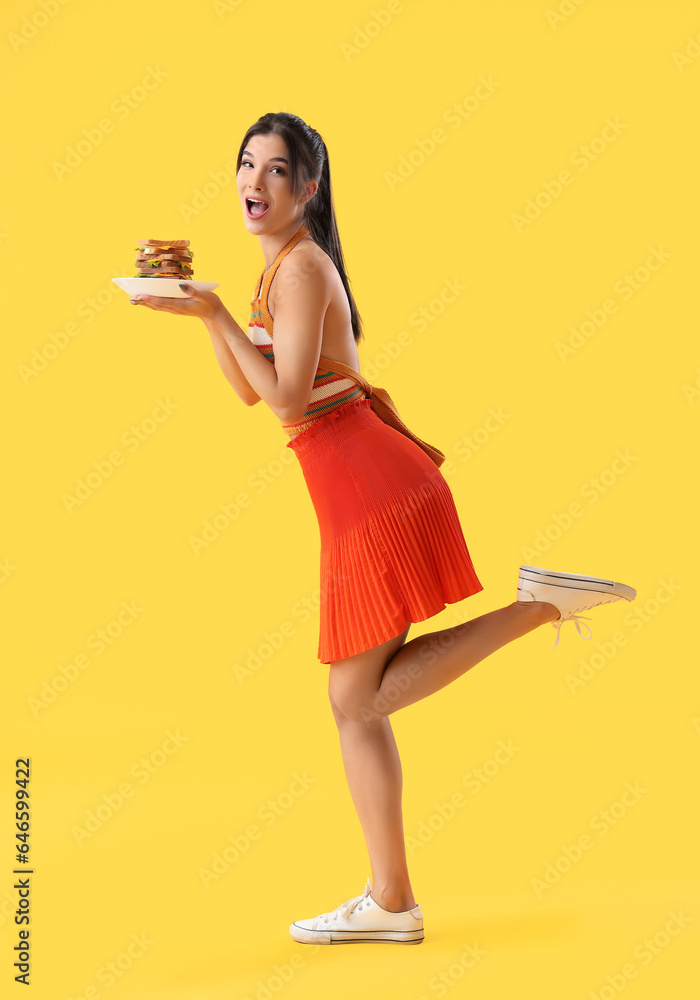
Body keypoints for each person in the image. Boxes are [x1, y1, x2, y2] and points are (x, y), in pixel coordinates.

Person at [129, 112, 637, 946]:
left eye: (277, 170)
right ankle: (391, 902)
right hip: (363, 488)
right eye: (246, 165)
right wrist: (206, 316)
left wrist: (218, 312)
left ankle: (538, 608)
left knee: (352, 698)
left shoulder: (297, 270)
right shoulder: (282, 270)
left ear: (309, 189)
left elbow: (289, 399)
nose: (255, 182)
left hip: (373, 489)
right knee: (354, 704)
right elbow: (252, 392)